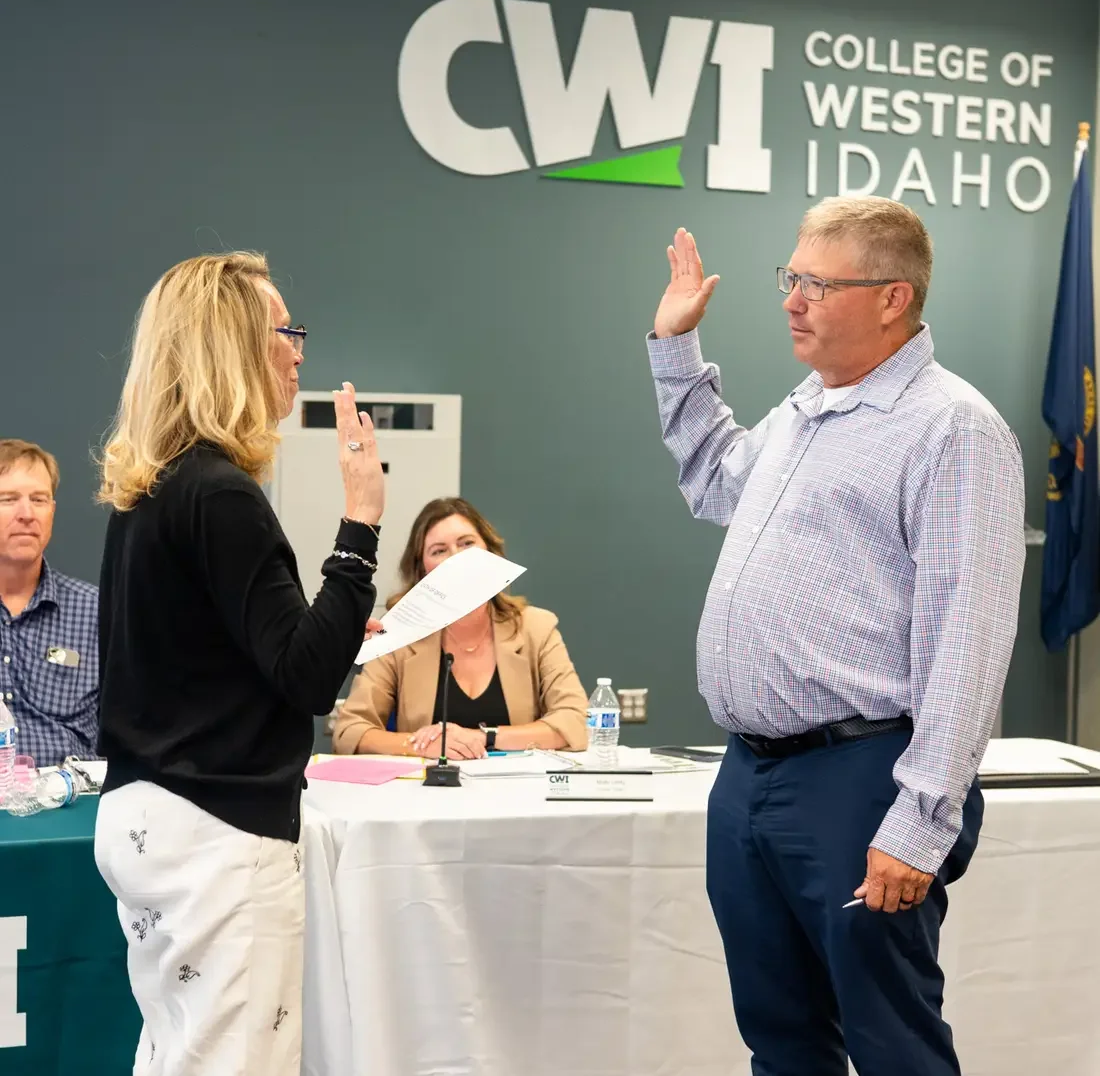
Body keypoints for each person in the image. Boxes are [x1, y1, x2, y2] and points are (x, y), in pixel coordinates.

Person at [647, 199, 1025, 1076]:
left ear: (894, 298)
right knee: (780, 1039)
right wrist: (675, 352)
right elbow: (712, 482)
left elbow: (968, 642)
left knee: (892, 1046)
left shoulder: (953, 429)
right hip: (749, 776)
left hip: (862, 781)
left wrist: (919, 824)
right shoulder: (809, 410)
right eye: (792, 278)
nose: (792, 300)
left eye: (817, 284)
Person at [92, 251, 386, 1076]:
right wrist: (359, 524)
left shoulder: (154, 490)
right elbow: (308, 677)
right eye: (284, 330)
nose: (299, 351)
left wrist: (323, 619)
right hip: (219, 830)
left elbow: (227, 652)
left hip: (151, 816)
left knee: (178, 1053)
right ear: (233, 347)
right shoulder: (222, 494)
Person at [334, 496, 587, 758]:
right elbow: (349, 731)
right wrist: (421, 745)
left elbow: (574, 721)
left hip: (517, 791)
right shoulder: (398, 635)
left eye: (467, 544)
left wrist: (482, 737)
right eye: (439, 551)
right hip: (426, 793)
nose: (456, 559)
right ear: (422, 571)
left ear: (491, 553)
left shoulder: (536, 627)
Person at [0, 439, 98, 767]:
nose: (27, 514)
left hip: (72, 804)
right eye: (8, 499)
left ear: (52, 512)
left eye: (39, 499)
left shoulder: (97, 613)